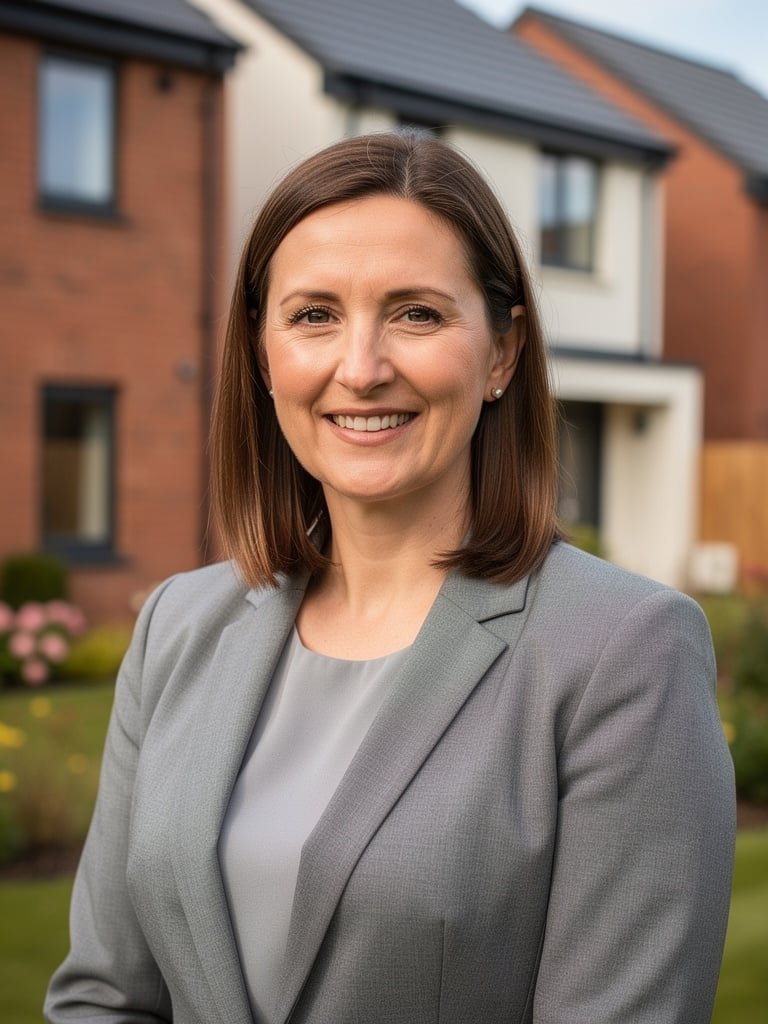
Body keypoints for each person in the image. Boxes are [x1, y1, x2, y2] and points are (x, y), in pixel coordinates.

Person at [46, 132, 735, 1024]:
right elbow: (105, 994)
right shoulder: (179, 624)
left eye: (415, 313)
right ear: (261, 354)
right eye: (313, 315)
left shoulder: (624, 652)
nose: (361, 368)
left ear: (501, 353)